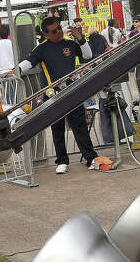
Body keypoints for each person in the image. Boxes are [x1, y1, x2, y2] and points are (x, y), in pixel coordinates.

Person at [18, 17, 98, 174]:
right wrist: (14, 71)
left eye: (59, 28)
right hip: (53, 93)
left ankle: (90, 157)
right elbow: (28, 63)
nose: (59, 32)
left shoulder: (70, 43)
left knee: (79, 126)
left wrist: (80, 38)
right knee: (57, 129)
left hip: (72, 91)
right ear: (47, 34)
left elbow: (88, 56)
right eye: (55, 31)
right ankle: (62, 160)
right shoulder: (42, 48)